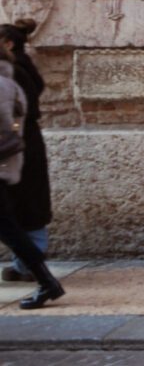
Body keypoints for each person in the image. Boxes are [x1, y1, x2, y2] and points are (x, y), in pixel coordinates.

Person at [0, 46, 63, 309]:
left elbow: (6, 127)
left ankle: (46, 282)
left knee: (12, 231)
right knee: (11, 230)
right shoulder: (9, 80)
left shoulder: (3, 84)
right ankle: (47, 282)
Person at [0, 20, 52, 284]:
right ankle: (28, 264)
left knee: (23, 206)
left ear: (8, 43)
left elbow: (15, 113)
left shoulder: (13, 73)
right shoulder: (21, 68)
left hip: (15, 146)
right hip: (22, 144)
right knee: (23, 206)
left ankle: (32, 265)